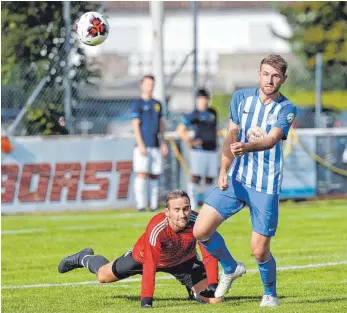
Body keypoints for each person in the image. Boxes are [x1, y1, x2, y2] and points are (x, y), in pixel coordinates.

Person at [193, 54, 297, 307]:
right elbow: (231, 134)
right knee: (201, 230)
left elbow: (272, 140)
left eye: (275, 75)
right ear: (258, 74)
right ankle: (230, 267)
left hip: (265, 186)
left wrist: (247, 147)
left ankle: (270, 294)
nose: (269, 80)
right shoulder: (241, 98)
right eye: (265, 74)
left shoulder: (286, 108)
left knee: (259, 250)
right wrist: (223, 168)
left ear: (283, 78)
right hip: (237, 179)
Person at [58, 190, 223, 308]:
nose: (183, 214)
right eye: (177, 210)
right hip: (145, 258)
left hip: (184, 261)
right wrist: (146, 300)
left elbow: (209, 253)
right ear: (167, 212)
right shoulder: (157, 228)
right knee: (103, 276)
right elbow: (150, 265)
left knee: (215, 300)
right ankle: (83, 258)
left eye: (186, 208)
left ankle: (193, 289)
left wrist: (213, 284)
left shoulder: (198, 221)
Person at [176, 88, 218, 211]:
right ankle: (192, 205)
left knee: (210, 178)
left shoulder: (213, 113)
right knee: (196, 177)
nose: (203, 101)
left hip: (212, 150)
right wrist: (189, 140)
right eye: (201, 99)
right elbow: (180, 130)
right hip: (198, 150)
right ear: (197, 100)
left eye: (205, 98)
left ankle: (208, 205)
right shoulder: (193, 115)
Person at [131, 75, 168, 212]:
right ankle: (141, 205)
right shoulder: (138, 104)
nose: (150, 86)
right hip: (143, 145)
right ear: (142, 85)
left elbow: (160, 125)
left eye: (152, 84)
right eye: (147, 84)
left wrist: (163, 142)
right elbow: (135, 125)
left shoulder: (157, 104)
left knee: (154, 174)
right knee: (142, 174)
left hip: (156, 144)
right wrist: (140, 144)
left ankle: (153, 205)